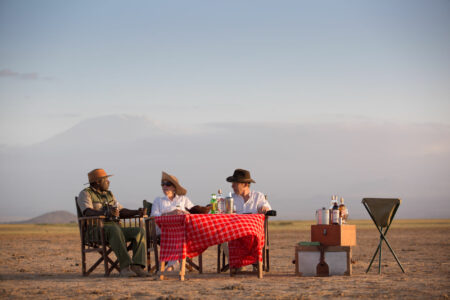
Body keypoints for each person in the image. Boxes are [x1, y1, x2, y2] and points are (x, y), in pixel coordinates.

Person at [77, 168, 147, 277]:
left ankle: (137, 266)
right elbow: (87, 211)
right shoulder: (85, 194)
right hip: (95, 230)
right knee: (114, 229)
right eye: (105, 180)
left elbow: (121, 211)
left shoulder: (109, 194)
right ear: (97, 182)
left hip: (114, 229)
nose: (108, 182)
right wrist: (105, 212)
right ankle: (125, 266)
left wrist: (137, 212)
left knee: (139, 231)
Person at [150, 171, 194, 271]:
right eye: (163, 184)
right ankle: (172, 265)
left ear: (174, 187)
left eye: (168, 184)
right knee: (177, 234)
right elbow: (154, 215)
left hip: (181, 229)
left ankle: (171, 265)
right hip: (162, 229)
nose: (164, 186)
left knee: (180, 233)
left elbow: (193, 211)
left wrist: (184, 212)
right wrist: (170, 213)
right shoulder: (158, 200)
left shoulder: (183, 199)